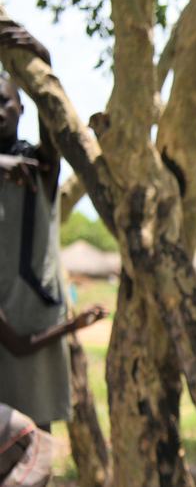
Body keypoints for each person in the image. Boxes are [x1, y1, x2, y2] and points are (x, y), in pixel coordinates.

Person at [0, 21, 108, 432]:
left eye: (6, 102)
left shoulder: (36, 169)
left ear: (22, 106)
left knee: (33, 435)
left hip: (30, 313)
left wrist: (43, 65)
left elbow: (53, 138)